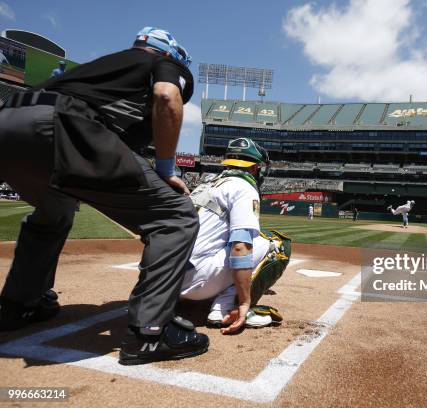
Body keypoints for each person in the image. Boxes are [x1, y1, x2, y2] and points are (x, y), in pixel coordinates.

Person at [0, 27, 209, 366]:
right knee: (176, 215)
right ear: (167, 53)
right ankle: (150, 334)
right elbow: (167, 96)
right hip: (62, 125)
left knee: (54, 211)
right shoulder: (160, 63)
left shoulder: (102, 66)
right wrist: (167, 168)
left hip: (9, 122)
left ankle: (19, 305)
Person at [180, 138, 290, 333]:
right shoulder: (244, 187)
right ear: (255, 168)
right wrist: (246, 301)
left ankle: (214, 305)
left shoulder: (205, 183)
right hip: (196, 283)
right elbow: (240, 247)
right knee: (274, 245)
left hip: (167, 280)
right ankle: (228, 308)